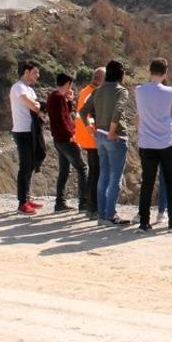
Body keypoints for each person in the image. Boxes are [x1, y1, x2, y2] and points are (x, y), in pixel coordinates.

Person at [79, 59, 131, 226]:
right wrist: (112, 131)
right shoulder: (121, 91)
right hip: (114, 137)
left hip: (99, 137)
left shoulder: (98, 90)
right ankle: (110, 215)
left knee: (103, 176)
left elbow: (82, 111)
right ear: (121, 74)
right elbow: (118, 110)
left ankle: (102, 215)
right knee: (115, 177)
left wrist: (90, 129)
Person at [135, 58, 172, 231]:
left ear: (150, 71)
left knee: (147, 181)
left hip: (146, 142)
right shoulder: (170, 92)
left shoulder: (139, 90)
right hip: (167, 141)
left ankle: (144, 222)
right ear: (165, 73)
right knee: (171, 181)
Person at [46, 73, 89, 213]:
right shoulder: (58, 98)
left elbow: (64, 114)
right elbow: (63, 120)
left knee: (64, 170)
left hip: (58, 140)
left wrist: (69, 101)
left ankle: (60, 203)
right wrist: (71, 135)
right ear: (68, 84)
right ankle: (84, 203)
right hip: (66, 139)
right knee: (82, 169)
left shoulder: (53, 96)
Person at [10, 61, 42, 215]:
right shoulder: (18, 88)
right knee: (25, 166)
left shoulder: (29, 89)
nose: (38, 75)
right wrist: (37, 105)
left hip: (31, 131)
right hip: (22, 131)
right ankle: (22, 202)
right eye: (35, 72)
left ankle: (27, 198)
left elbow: (36, 107)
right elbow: (35, 107)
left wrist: (37, 105)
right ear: (26, 72)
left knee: (30, 165)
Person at [74, 67, 105, 220]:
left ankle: (89, 205)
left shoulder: (85, 90)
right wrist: (95, 131)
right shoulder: (94, 93)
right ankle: (93, 207)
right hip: (91, 139)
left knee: (94, 172)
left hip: (85, 137)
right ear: (101, 79)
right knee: (95, 173)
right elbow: (89, 116)